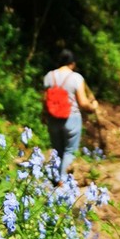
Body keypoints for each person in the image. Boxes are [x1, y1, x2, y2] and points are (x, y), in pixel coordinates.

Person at [42, 49, 98, 183]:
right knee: (69, 151)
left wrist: (44, 116)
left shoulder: (49, 76)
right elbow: (83, 103)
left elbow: (44, 100)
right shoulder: (76, 78)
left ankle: (53, 178)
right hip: (71, 119)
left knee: (57, 150)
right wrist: (93, 107)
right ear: (72, 64)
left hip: (52, 118)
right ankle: (61, 180)